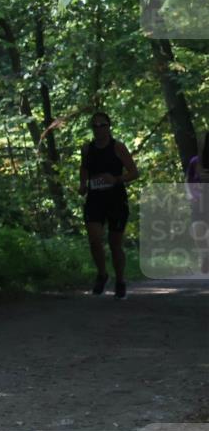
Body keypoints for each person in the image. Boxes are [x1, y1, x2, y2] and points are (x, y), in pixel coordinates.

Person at [78, 112, 139, 298]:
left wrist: (116, 179)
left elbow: (134, 172)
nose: (99, 129)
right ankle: (102, 274)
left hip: (116, 200)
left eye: (102, 125)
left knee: (115, 244)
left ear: (109, 126)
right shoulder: (87, 148)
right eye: (95, 126)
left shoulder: (118, 147)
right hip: (95, 199)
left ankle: (120, 280)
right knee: (94, 239)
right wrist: (82, 184)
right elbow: (84, 168)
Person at [185, 132, 209, 275]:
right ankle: (205, 256)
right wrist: (190, 195)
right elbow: (188, 181)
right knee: (197, 229)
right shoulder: (195, 161)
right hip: (198, 203)